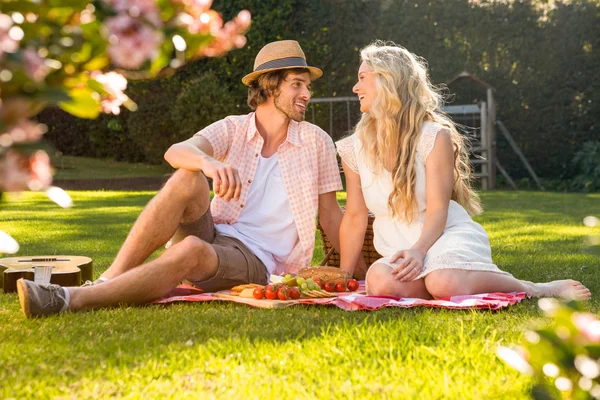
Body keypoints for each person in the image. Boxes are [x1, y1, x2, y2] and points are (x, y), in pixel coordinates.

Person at [17, 40, 357, 317]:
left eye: (308, 86)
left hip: (259, 261)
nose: (307, 94)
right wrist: (208, 164)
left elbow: (330, 215)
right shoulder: (234, 128)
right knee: (187, 177)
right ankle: (108, 279)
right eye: (297, 84)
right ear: (270, 86)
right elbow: (176, 151)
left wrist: (357, 272)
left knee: (193, 248)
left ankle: (67, 299)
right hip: (218, 232)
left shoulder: (316, 141)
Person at [336, 41, 591, 301]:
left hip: (444, 237)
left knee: (443, 281)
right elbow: (355, 215)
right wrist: (343, 277)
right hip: (398, 247)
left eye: (362, 78)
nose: (356, 87)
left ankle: (534, 288)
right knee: (378, 283)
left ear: (388, 80)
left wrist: (419, 251)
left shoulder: (433, 136)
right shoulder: (353, 148)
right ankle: (438, 286)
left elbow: (438, 209)